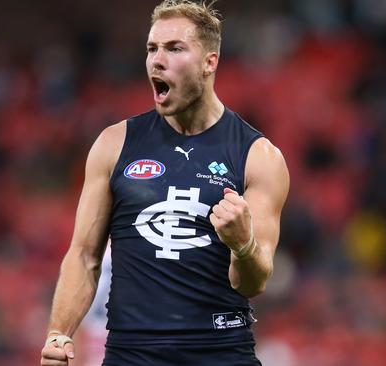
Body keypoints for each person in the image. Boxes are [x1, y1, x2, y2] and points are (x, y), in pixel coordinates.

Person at [40, 0, 289, 365]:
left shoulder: (259, 157)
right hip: (132, 355)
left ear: (210, 62)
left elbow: (254, 282)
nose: (157, 60)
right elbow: (84, 255)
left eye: (174, 49)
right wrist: (59, 333)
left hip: (221, 353)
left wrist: (244, 244)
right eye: (152, 49)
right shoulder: (115, 143)